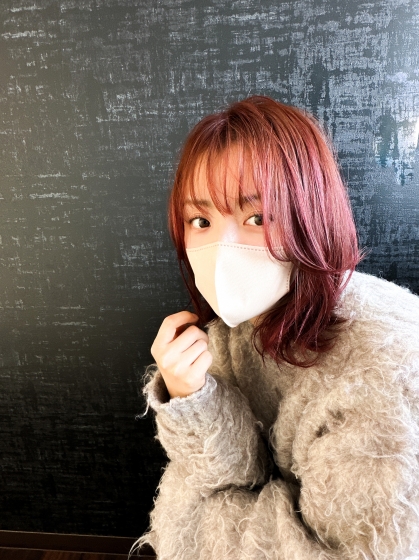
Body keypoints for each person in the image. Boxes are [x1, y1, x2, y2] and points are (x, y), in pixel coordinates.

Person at [132, 96, 419, 559]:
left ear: (312, 213)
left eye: (258, 217)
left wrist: (197, 515)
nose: (222, 251)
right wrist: (192, 396)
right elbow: (239, 471)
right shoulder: (238, 328)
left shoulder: (385, 371)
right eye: (201, 220)